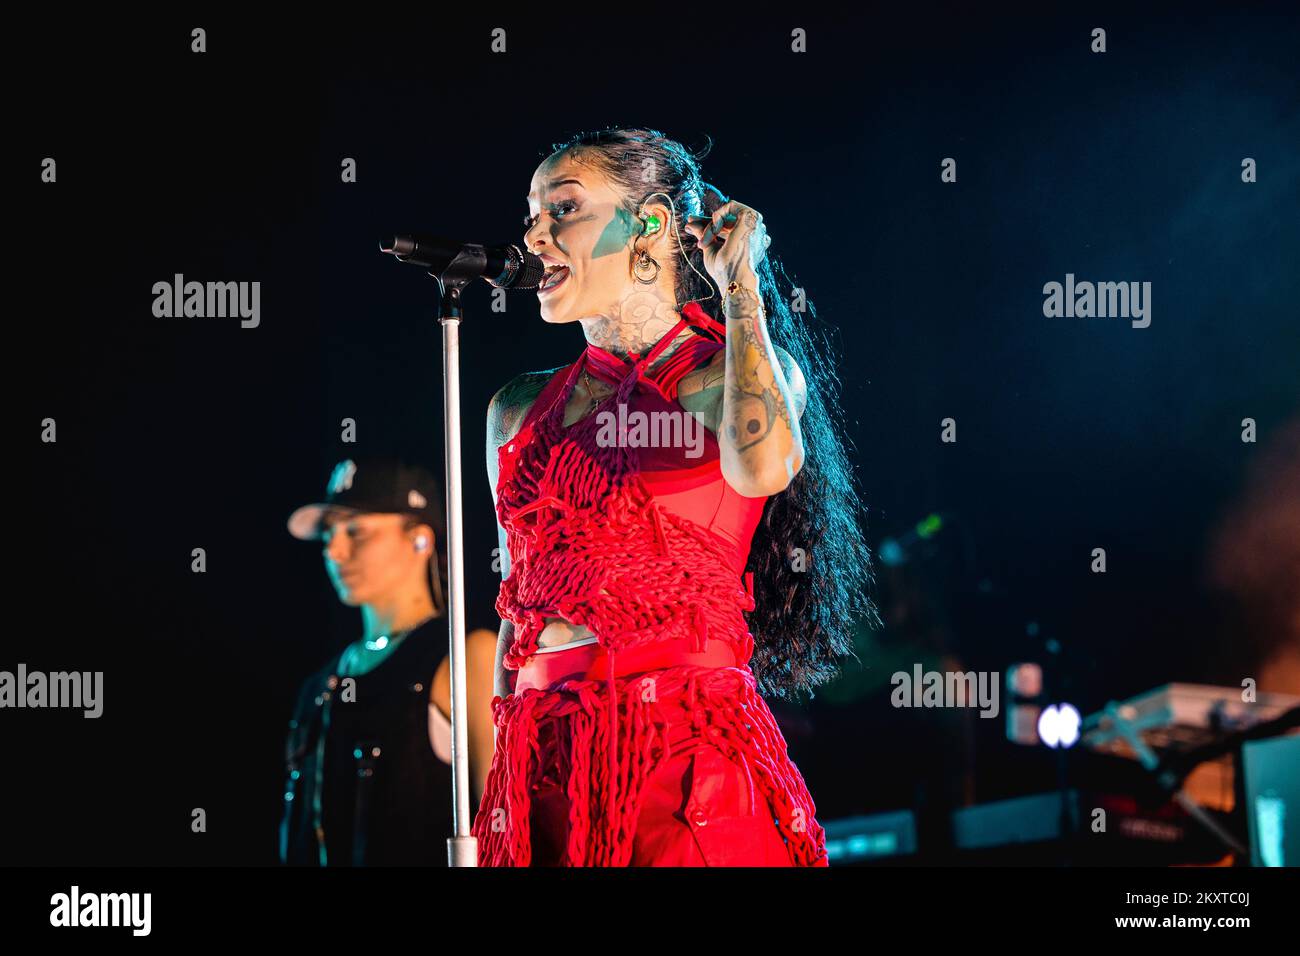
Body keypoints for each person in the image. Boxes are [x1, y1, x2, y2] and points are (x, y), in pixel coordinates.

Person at [471, 128, 876, 865]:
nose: (533, 235)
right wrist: (499, 790)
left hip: (682, 753)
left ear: (650, 224)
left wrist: (741, 285)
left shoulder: (730, 374)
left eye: (562, 209)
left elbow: (763, 470)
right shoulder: (517, 409)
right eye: (531, 213)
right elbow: (516, 607)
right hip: (543, 759)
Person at [280, 457, 497, 865]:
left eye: (356, 531)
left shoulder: (466, 657)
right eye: (329, 533)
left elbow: (508, 825)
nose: (334, 550)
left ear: (420, 540)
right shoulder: (317, 687)